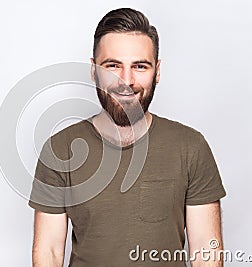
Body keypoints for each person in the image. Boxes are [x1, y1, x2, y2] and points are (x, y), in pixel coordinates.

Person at [28, 7, 226, 266]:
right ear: (93, 70)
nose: (126, 80)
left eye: (140, 66)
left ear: (157, 71)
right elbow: (49, 253)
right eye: (112, 66)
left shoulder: (191, 147)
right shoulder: (60, 149)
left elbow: (206, 254)